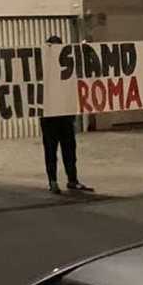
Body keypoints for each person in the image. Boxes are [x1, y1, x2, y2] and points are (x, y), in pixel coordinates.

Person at [41, 36, 94, 195]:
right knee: (51, 150)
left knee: (69, 149)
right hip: (49, 116)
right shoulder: (44, 68)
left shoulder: (68, 67)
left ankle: (72, 179)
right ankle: (53, 181)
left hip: (65, 115)